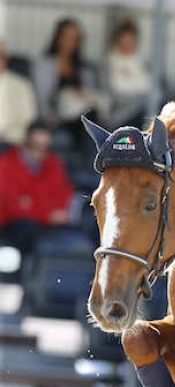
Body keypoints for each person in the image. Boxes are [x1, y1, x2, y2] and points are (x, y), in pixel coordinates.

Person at [0, 119, 75, 257]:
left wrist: (42, 209)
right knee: (26, 228)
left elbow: (64, 194)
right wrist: (47, 214)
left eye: (45, 147)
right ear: (25, 142)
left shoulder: (53, 163)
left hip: (44, 223)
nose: (40, 151)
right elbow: (14, 206)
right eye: (35, 146)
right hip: (12, 225)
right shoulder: (6, 163)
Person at [33, 18, 102, 145]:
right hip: (55, 119)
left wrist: (81, 95)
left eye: (75, 38)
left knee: (92, 121)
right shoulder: (44, 65)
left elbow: (92, 99)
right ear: (58, 38)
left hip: (82, 118)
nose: (70, 42)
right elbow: (41, 100)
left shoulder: (85, 70)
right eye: (67, 37)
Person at [104, 18, 151, 129]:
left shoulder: (141, 62)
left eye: (130, 41)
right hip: (119, 114)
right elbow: (116, 89)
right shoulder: (110, 62)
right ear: (117, 41)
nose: (127, 45)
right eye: (124, 41)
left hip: (141, 111)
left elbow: (149, 88)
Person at [0, 39, 38, 147]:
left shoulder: (22, 86)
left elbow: (29, 121)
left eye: (2, 55)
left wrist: (6, 135)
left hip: (12, 143)